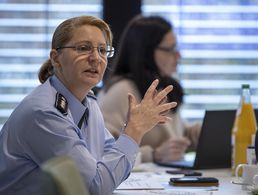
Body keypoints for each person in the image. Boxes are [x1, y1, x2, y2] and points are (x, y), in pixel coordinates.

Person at [0, 16, 177, 195]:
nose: (96, 58)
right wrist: (134, 130)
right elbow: (93, 188)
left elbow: (109, 159)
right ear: (56, 58)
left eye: (102, 50)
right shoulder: (44, 113)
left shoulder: (88, 102)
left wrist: (131, 132)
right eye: (83, 48)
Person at [98, 15, 201, 163]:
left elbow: (178, 133)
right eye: (170, 49)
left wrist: (214, 130)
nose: (178, 55)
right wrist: (154, 155)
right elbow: (105, 152)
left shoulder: (160, 86)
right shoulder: (121, 91)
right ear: (146, 51)